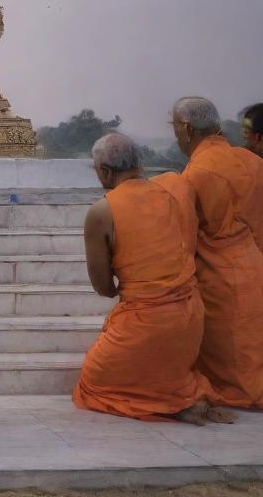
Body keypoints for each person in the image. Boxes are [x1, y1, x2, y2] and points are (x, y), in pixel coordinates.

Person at [73, 133, 234, 423]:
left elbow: (104, 288)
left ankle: (170, 403)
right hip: (191, 320)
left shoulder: (102, 211)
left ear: (105, 171)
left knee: (92, 385)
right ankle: (177, 394)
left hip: (146, 324)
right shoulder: (175, 188)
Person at [173, 97, 263, 408]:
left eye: (174, 129)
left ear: (186, 128)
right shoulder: (254, 163)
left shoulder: (195, 175)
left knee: (229, 360)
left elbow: (186, 237)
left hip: (217, 276)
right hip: (256, 265)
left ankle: (238, 395)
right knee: (251, 346)